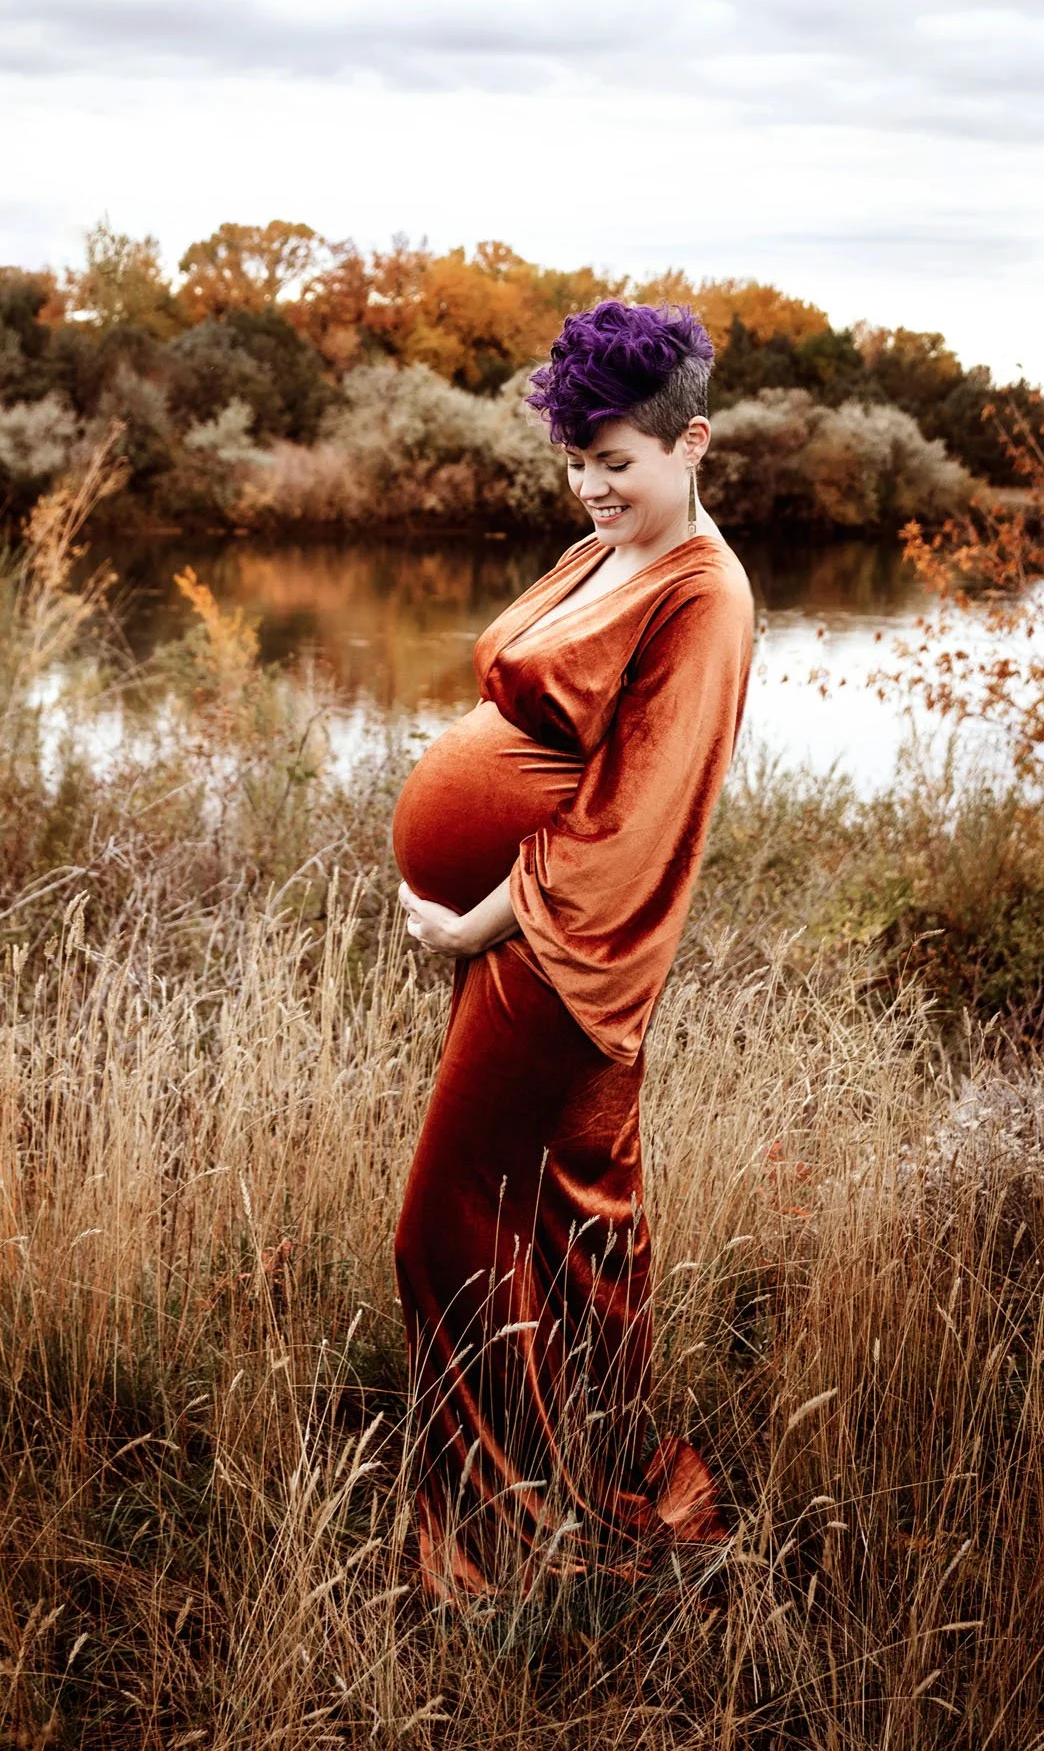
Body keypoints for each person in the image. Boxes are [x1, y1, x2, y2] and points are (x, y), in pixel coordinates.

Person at [392, 298, 754, 1605]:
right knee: (562, 1219)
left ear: (692, 442)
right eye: (576, 460)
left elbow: (628, 824)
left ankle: (500, 1530)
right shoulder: (610, 548)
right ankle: (573, 1467)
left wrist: (471, 918)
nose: (592, 485)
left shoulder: (703, 597)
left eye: (618, 461)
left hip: (563, 954)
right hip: (528, 942)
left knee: (446, 1228)